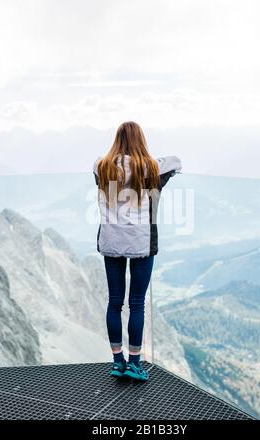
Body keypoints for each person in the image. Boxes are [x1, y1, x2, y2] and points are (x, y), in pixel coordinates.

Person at [92, 121, 182, 381]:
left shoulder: (102, 168)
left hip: (111, 242)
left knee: (115, 302)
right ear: (142, 140)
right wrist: (147, 158)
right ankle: (135, 363)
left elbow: (97, 163)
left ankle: (117, 361)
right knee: (137, 304)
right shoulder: (152, 170)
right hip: (142, 243)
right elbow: (176, 162)